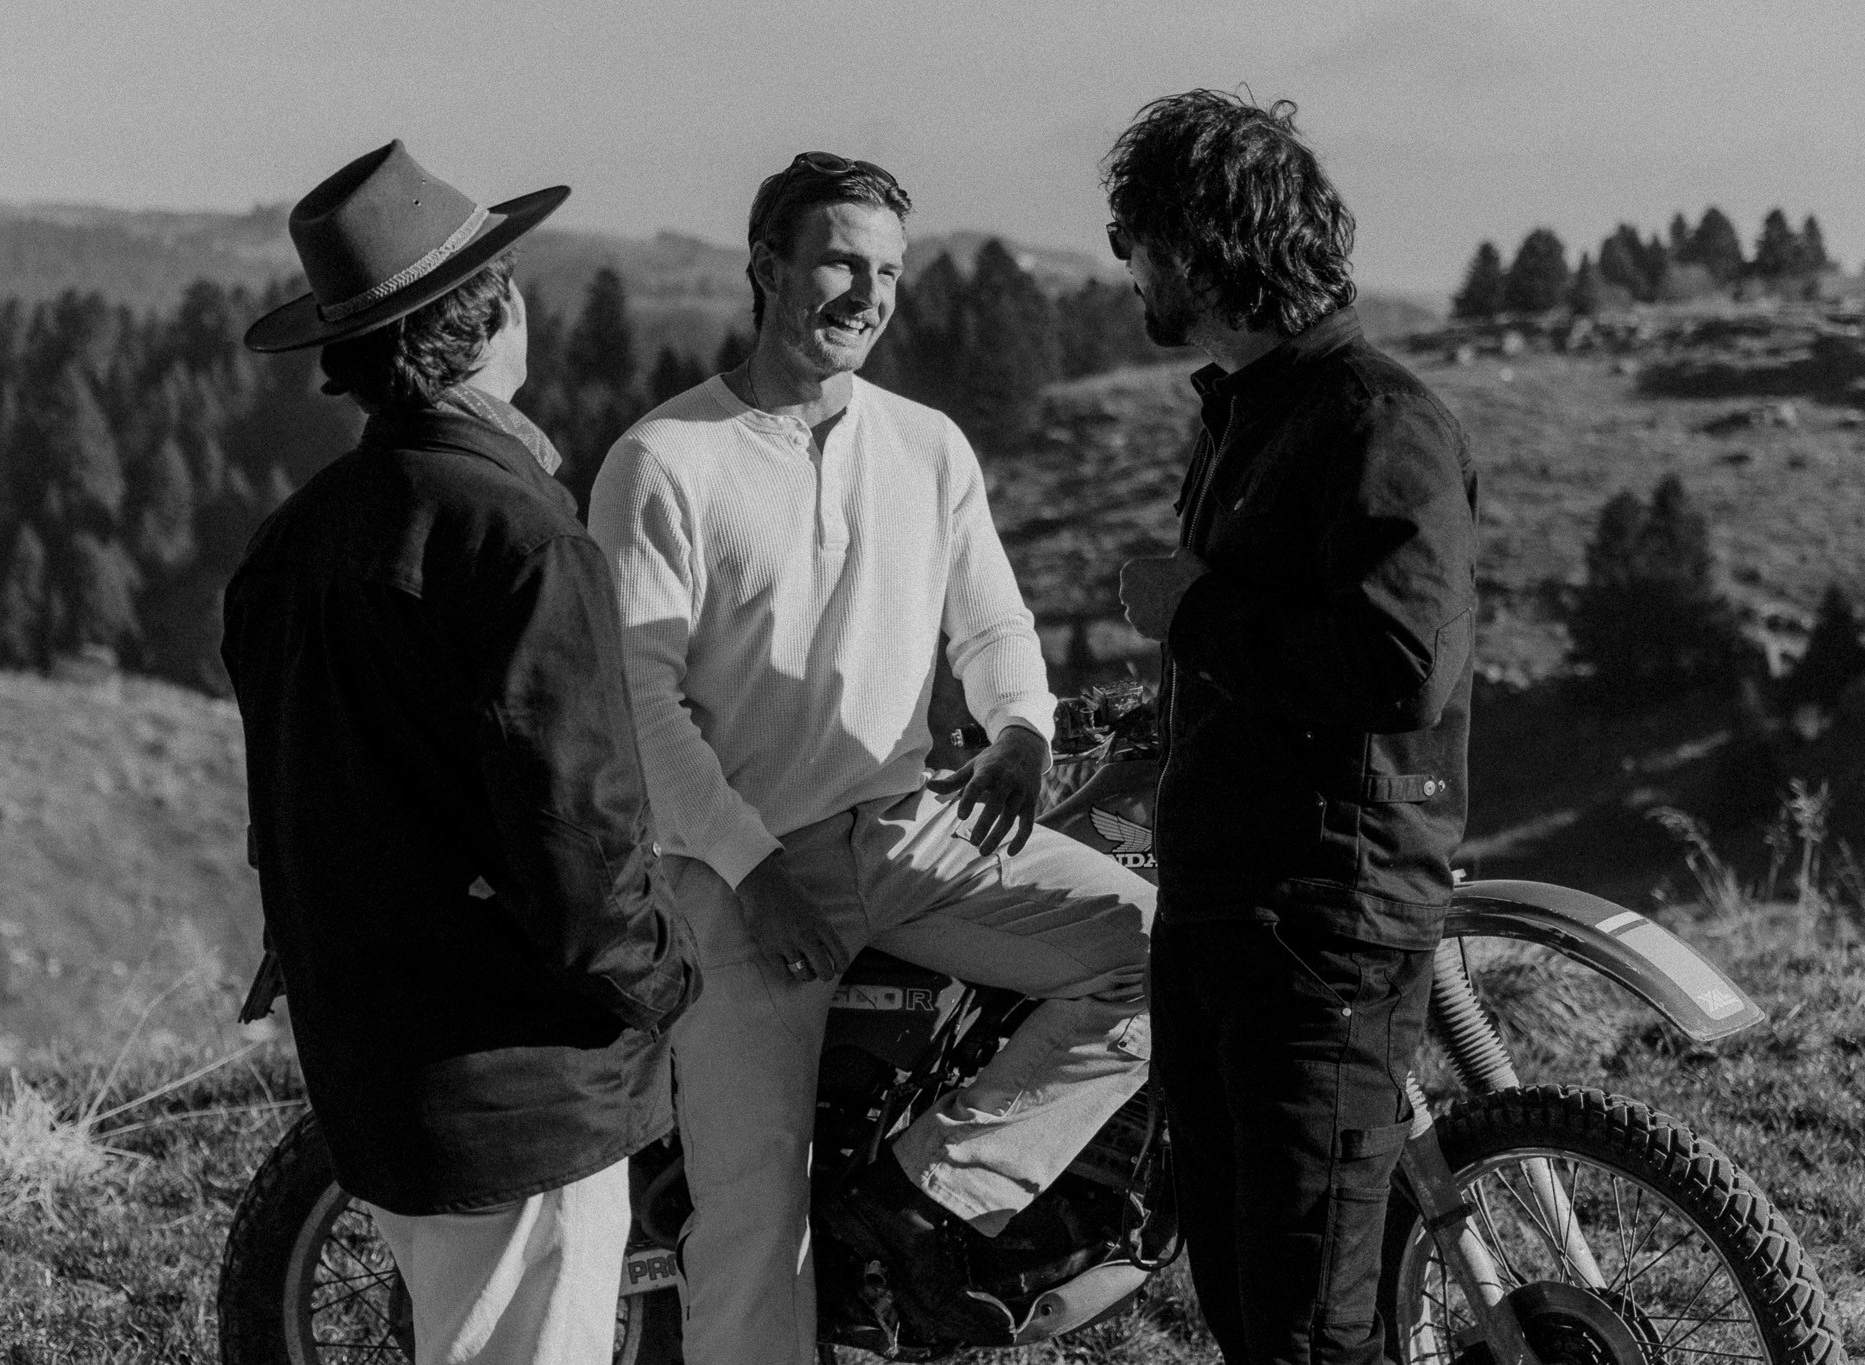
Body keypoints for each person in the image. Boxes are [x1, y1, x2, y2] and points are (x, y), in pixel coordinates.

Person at [586, 151, 1156, 1364]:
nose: (867, 292)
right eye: (841, 260)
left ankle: (923, 1201)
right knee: (752, 1226)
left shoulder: (926, 446)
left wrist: (1019, 728)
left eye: (889, 269)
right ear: (766, 269)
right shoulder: (662, 461)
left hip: (907, 831)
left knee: (1158, 953)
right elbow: (641, 705)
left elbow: (992, 623)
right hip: (728, 874)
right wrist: (752, 870)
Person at [224, 141, 698, 1365]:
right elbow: (576, 839)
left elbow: (287, 811)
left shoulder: (293, 543)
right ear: (496, 314)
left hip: (368, 1063)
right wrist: (666, 981)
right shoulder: (522, 539)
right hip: (516, 1080)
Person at [1110, 93, 1477, 1365]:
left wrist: (1193, 612)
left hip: (1320, 925)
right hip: (1225, 907)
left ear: (1201, 251)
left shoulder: (1376, 420)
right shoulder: (1247, 410)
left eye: (1135, 239)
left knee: (1310, 1327)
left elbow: (1399, 667)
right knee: (1245, 1301)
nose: (1126, 270)